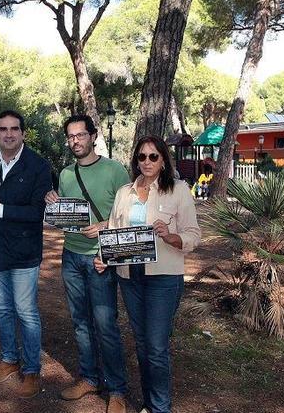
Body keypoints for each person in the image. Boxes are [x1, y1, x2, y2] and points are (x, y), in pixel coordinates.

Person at [93, 136, 200, 413]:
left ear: (163, 160)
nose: (147, 162)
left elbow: (193, 235)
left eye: (154, 156)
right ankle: (150, 403)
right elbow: (116, 233)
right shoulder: (124, 192)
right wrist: (105, 258)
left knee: (156, 347)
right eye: (142, 157)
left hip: (163, 278)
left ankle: (160, 407)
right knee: (142, 344)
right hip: (130, 276)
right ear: (135, 161)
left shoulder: (178, 190)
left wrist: (170, 235)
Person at [44, 115, 130, 413]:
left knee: (106, 324)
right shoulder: (66, 174)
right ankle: (90, 378)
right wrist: (53, 202)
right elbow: (67, 216)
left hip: (101, 258)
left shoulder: (114, 170)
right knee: (80, 322)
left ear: (93, 136)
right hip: (71, 256)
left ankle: (117, 389)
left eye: (81, 135)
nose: (75, 141)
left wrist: (106, 225)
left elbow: (131, 213)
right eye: (70, 136)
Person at [0, 110, 52, 399]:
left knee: (27, 312)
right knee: (2, 309)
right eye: (3, 129)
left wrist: (1, 210)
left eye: (14, 129)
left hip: (24, 254)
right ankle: (9, 359)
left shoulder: (38, 166)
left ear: (23, 133)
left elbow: (39, 212)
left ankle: (31, 370)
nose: (9, 134)